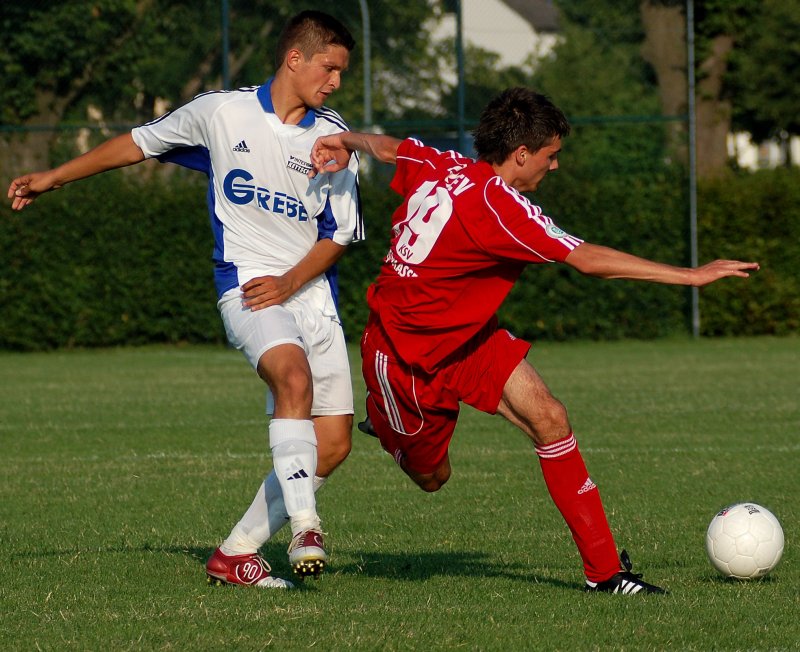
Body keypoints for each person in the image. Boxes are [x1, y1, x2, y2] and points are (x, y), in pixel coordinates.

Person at [309, 87, 759, 594]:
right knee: (433, 478)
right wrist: (691, 276)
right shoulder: (500, 207)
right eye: (552, 154)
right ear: (522, 154)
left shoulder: (445, 164)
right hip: (404, 356)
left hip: (468, 338)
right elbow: (587, 259)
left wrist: (346, 139)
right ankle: (386, 423)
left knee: (549, 416)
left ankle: (606, 574)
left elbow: (390, 147)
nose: (556, 165)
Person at [8, 10, 363, 589]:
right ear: (294, 58)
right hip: (248, 286)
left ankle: (236, 553)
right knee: (291, 378)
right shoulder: (221, 112)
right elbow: (138, 143)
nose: (336, 82)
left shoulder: (334, 139)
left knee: (333, 445)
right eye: (330, 68)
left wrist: (292, 281)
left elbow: (340, 235)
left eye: (342, 72)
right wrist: (55, 176)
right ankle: (306, 527)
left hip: (312, 295)